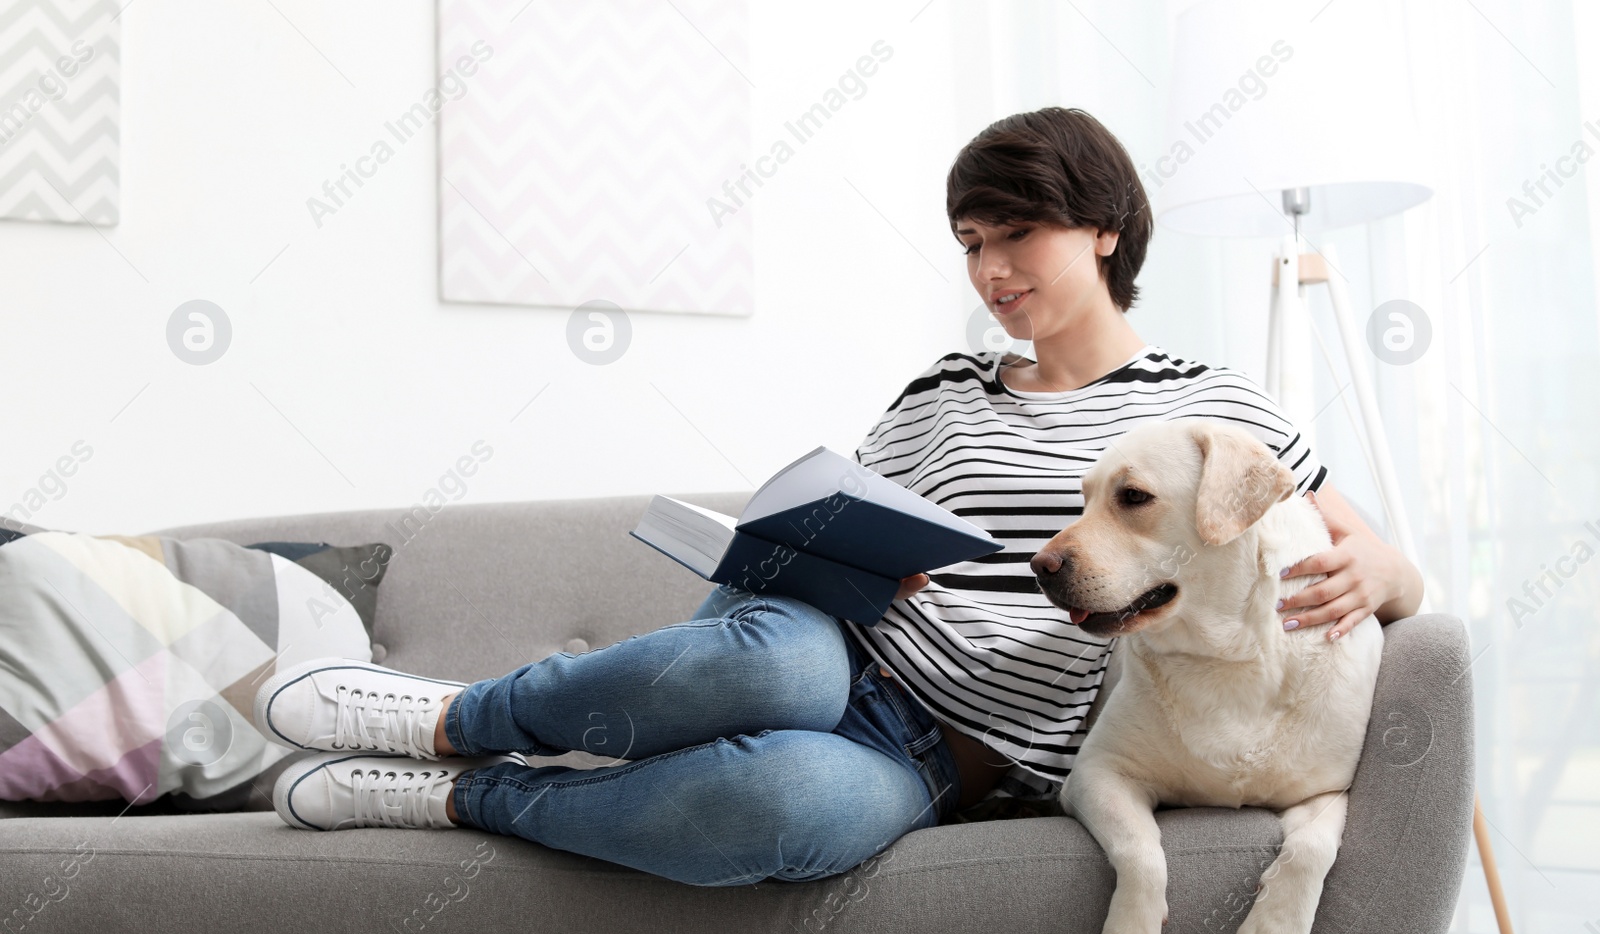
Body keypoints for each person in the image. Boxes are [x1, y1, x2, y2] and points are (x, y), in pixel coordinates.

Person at [257, 107, 1424, 887]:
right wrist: (845, 551)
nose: (990, 272)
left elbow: (1373, 556)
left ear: (1105, 230)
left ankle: (472, 798)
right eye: (971, 243)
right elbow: (825, 520)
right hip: (834, 650)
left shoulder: (1211, 411)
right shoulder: (942, 391)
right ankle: (449, 718)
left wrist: (1385, 573)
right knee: (782, 667)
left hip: (943, 756)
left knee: (785, 812)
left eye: (1015, 235)